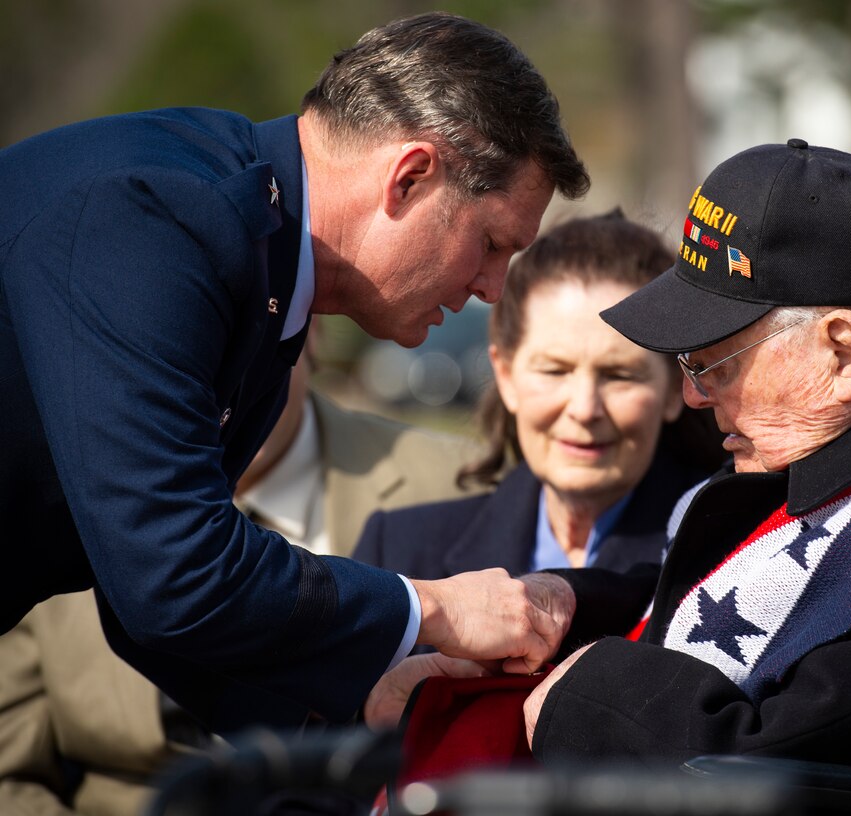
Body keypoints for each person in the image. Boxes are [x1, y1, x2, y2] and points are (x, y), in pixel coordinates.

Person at [369, 139, 851, 782]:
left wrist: (584, 689)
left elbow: (781, 762)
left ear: (841, 352)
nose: (691, 393)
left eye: (715, 363)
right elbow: (722, 597)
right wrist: (562, 610)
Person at [0, 10, 589, 736]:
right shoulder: (160, 217)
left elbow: (150, 603)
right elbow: (173, 574)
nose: (492, 289)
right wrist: (434, 608)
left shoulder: (256, 244)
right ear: (409, 178)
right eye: (492, 243)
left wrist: (357, 705)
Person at [0, 345, 487, 816]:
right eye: (184, 345)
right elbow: (11, 774)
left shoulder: (459, 479)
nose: (210, 376)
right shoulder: (53, 501)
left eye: (237, 331)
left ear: (306, 330)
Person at [353, 211, 723, 587]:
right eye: (555, 371)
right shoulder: (400, 554)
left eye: (619, 375)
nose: (583, 409)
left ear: (675, 389)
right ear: (506, 376)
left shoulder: (729, 556)